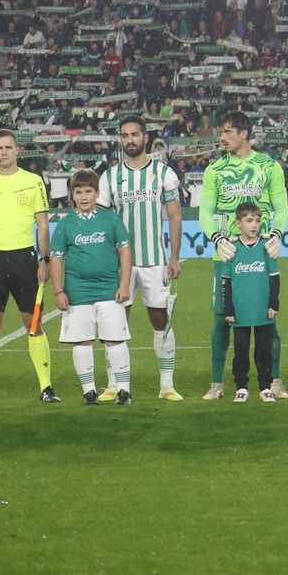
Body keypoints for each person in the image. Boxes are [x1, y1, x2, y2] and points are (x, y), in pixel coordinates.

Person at [201, 112, 288, 400]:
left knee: (268, 318)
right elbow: (205, 212)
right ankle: (217, 383)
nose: (222, 138)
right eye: (221, 132)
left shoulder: (268, 166)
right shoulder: (214, 169)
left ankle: (274, 380)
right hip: (226, 254)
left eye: (227, 132)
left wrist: (276, 235)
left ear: (244, 132)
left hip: (261, 254)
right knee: (221, 320)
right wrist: (216, 238)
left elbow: (281, 208)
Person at [0, 129, 55, 404]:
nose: (3, 152)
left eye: (8, 147)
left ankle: (46, 388)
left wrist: (44, 259)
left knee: (34, 324)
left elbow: (42, 225)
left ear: (18, 150)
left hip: (24, 260)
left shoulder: (34, 182)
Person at [98, 116, 183, 400]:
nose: (130, 140)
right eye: (124, 136)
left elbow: (174, 217)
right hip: (119, 263)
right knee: (114, 322)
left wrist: (174, 257)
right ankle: (114, 384)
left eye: (135, 135)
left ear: (145, 138)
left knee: (161, 320)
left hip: (155, 260)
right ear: (120, 139)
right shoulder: (109, 177)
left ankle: (167, 385)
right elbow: (102, 221)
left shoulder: (164, 174)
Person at [49, 170, 133, 405]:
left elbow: (125, 251)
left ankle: (123, 390)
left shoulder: (111, 220)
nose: (84, 197)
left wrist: (124, 284)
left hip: (110, 290)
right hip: (77, 292)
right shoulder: (66, 225)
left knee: (115, 339)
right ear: (72, 195)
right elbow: (56, 258)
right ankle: (89, 391)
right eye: (79, 192)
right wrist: (58, 291)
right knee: (82, 340)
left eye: (88, 191)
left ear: (97, 193)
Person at [218, 202, 281, 402]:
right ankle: (241, 387)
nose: (254, 225)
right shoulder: (232, 248)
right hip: (240, 310)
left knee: (264, 351)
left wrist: (273, 304)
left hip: (263, 309)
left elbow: (275, 277)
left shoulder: (266, 246)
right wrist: (228, 307)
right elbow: (226, 282)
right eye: (249, 221)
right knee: (240, 352)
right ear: (238, 223)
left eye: (257, 221)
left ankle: (265, 387)